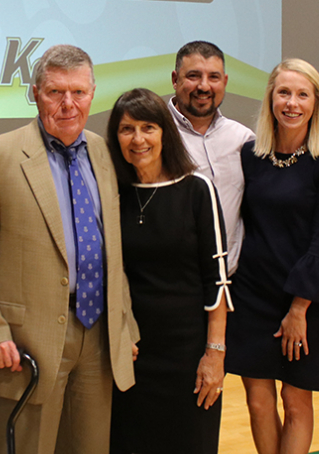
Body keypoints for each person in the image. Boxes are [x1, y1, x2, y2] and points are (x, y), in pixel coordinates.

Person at [0, 44, 140, 454]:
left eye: (79, 92)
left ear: (93, 94)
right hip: (27, 344)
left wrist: (126, 327)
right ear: (35, 93)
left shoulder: (104, 153)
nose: (68, 104)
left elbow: (113, 254)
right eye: (55, 92)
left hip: (99, 338)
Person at [226, 58, 319, 454]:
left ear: (316, 103)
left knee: (295, 402)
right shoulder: (250, 155)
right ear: (271, 99)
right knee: (258, 403)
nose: (292, 103)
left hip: (303, 300)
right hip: (252, 296)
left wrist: (299, 308)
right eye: (284, 93)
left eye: (302, 95)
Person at [106, 88, 231, 454]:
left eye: (148, 127)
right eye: (127, 129)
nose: (138, 139)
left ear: (165, 133)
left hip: (187, 357)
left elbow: (217, 280)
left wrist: (215, 354)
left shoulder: (197, 189)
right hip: (131, 354)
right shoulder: (112, 194)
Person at [169, 41, 255, 275]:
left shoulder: (243, 139)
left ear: (225, 82)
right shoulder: (154, 136)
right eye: (193, 76)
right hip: (173, 282)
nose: (204, 86)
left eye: (213, 77)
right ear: (175, 79)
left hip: (231, 282)